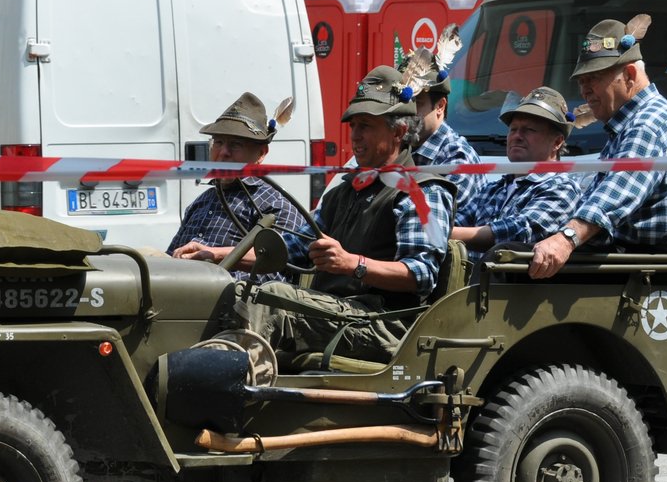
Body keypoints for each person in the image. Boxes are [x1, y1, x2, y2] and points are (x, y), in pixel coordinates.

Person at [251, 66, 455, 362]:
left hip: (385, 323)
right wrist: (215, 257)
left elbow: (421, 274)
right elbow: (291, 249)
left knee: (270, 300)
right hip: (337, 312)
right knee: (239, 291)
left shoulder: (422, 191)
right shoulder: (343, 193)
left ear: (398, 130)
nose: (355, 137)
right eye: (353, 126)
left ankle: (232, 393)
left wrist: (352, 264)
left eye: (366, 126)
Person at [529, 16, 667, 279]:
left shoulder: (647, 123)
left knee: (516, 266)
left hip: (647, 270)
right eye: (581, 81)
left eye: (594, 78)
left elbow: (613, 197)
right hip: (635, 262)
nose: (585, 90)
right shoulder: (630, 121)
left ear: (630, 75)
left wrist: (565, 239)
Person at [168, 92, 311, 281]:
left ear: (261, 153)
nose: (224, 153)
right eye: (218, 142)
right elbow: (170, 257)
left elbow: (275, 272)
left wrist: (213, 259)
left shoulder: (275, 206)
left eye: (235, 144)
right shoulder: (202, 201)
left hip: (227, 300)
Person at [451, 86, 582, 260]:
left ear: (557, 142)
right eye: (513, 129)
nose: (517, 136)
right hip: (472, 283)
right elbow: (457, 221)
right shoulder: (494, 189)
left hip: (506, 286)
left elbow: (520, 230)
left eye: (529, 130)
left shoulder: (563, 188)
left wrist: (443, 234)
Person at [408, 48, 482, 207]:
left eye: (417, 103)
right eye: (404, 103)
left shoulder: (458, 158)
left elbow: (439, 224)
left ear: (440, 106)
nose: (407, 111)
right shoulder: (399, 147)